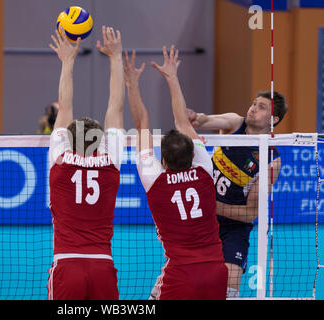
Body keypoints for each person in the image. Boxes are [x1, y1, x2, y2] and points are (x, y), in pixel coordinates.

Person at [124, 46, 227, 300]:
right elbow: (183, 122)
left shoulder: (155, 181)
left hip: (181, 274)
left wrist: (132, 84)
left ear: (163, 160)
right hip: (216, 269)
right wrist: (172, 77)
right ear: (192, 154)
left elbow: (141, 125)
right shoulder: (205, 171)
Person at [46, 26, 125, 300]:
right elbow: (115, 107)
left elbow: (64, 107)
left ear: (68, 139)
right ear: (100, 139)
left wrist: (68, 62)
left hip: (67, 264)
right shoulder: (111, 160)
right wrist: (115, 58)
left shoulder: (59, 159)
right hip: (103, 264)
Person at [187, 91, 288, 298]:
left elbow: (251, 214)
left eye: (261, 107)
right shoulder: (234, 124)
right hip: (203, 220)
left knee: (229, 288)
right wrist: (194, 117)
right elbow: (204, 120)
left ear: (273, 119)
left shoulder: (270, 160)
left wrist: (212, 205)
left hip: (234, 230)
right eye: (254, 103)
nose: (253, 108)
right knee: (182, 279)